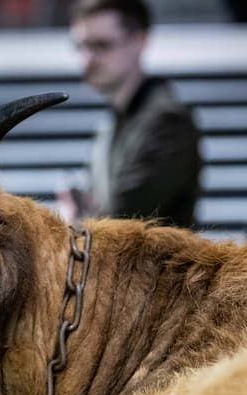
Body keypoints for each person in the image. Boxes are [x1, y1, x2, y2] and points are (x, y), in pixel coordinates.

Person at [66, 0, 202, 228]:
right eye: (81, 47)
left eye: (101, 45)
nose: (87, 60)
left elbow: (120, 225)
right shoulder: (114, 121)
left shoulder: (168, 121)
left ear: (140, 41)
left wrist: (77, 218)